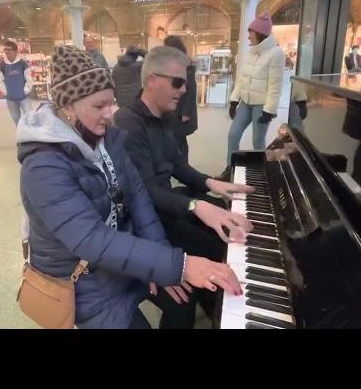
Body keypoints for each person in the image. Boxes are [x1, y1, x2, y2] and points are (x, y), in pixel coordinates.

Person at [18, 45, 242, 329]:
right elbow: (92, 239)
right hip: (83, 282)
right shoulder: (43, 167)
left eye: (111, 103)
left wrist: (161, 261)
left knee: (183, 301)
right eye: (99, 106)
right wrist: (179, 265)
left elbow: (138, 200)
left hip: (122, 259)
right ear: (67, 107)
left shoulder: (107, 138)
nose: (110, 114)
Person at [113, 45, 253, 324]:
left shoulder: (165, 116)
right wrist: (194, 205)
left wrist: (212, 183)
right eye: (177, 82)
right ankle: (216, 303)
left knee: (224, 228)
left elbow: (177, 164)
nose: (184, 89)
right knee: (212, 248)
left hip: (165, 205)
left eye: (185, 82)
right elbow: (143, 193)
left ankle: (218, 306)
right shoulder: (128, 123)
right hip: (147, 217)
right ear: (151, 80)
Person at [219, 11, 285, 181]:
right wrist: (234, 100)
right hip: (246, 103)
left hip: (261, 105)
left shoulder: (276, 53)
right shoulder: (251, 52)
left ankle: (261, 173)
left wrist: (269, 110)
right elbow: (242, 79)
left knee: (258, 141)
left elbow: (275, 85)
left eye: (250, 31)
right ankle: (230, 168)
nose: (248, 36)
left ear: (260, 33)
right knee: (233, 134)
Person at [164, 35, 198, 161]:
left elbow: (191, 90)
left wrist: (186, 113)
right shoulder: (174, 63)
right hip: (175, 108)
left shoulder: (186, 65)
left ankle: (183, 164)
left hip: (182, 110)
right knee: (173, 138)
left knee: (180, 140)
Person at [0, 40, 33, 126]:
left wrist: (26, 91)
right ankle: (21, 138)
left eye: (9, 49)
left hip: (24, 98)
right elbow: (0, 81)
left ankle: (31, 137)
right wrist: (6, 92)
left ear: (15, 51)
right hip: (11, 99)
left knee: (30, 119)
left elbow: (29, 79)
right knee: (17, 120)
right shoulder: (1, 65)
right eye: (5, 49)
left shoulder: (23, 64)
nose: (6, 52)